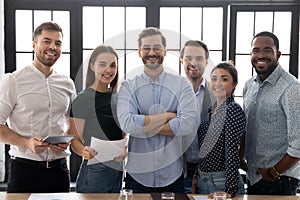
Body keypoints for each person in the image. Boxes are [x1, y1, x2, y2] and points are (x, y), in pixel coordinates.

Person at [117, 27, 199, 193]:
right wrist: (168, 116)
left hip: (172, 175)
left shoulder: (182, 85)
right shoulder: (128, 86)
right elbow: (127, 124)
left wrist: (142, 123)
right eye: (146, 48)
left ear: (165, 51)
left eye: (157, 47)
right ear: (139, 52)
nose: (152, 52)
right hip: (137, 176)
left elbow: (188, 124)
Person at [0, 21, 76, 193]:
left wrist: (64, 139)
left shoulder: (67, 84)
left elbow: (69, 123)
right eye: (46, 41)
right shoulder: (13, 81)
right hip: (24, 171)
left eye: (58, 43)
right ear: (34, 45)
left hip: (59, 171)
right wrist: (26, 142)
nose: (52, 47)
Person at [243, 31, 300, 195]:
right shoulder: (249, 86)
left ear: (278, 54)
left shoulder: (291, 88)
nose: (261, 55)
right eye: (256, 50)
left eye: (267, 50)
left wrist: (274, 172)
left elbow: (298, 143)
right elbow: (247, 128)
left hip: (279, 180)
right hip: (253, 176)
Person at [69, 45, 126, 193]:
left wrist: (126, 147)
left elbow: (122, 132)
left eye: (113, 65)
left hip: (118, 168)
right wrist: (84, 151)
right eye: (103, 64)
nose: (108, 70)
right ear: (92, 66)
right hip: (96, 169)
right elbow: (74, 140)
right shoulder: (83, 99)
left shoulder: (118, 97)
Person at [193, 61, 245, 198]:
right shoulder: (211, 111)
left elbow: (232, 151)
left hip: (222, 181)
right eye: (214, 79)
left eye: (224, 79)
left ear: (234, 84)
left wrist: (230, 190)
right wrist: (196, 176)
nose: (218, 83)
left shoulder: (232, 109)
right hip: (203, 179)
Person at [180, 40, 214, 193]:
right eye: (188, 58)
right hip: (178, 172)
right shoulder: (171, 93)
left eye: (199, 58)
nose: (193, 63)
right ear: (181, 61)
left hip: (209, 174)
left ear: (206, 62)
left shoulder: (218, 95)